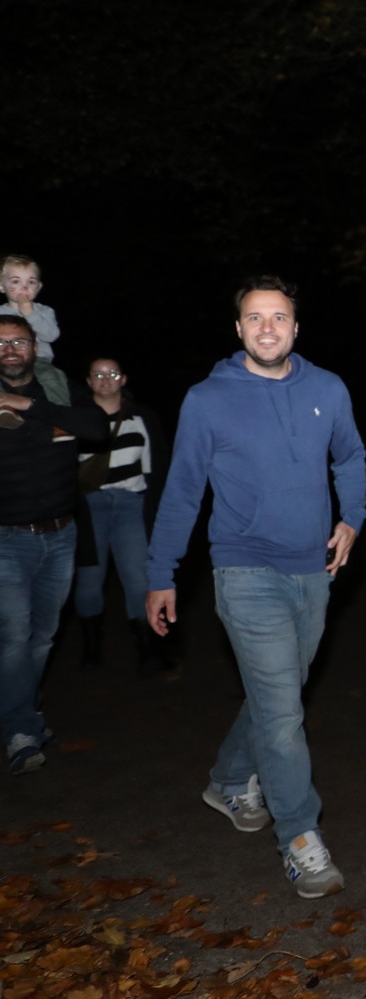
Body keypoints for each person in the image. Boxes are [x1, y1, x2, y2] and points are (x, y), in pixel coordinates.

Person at [145, 275, 366, 900]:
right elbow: (182, 490)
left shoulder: (327, 389)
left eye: (278, 317)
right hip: (244, 570)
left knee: (280, 696)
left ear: (296, 327)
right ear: (238, 328)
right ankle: (300, 837)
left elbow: (350, 456)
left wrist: (352, 516)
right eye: (254, 318)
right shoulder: (207, 400)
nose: (267, 328)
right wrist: (161, 573)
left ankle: (227, 778)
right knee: (283, 713)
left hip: (314, 570)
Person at [0, 315, 107, 774]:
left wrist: (26, 405)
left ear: (34, 346)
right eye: (0, 343)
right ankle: (20, 729)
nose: (9, 349)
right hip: (7, 540)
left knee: (42, 637)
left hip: (62, 536)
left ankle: (24, 713)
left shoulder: (57, 387)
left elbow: (97, 427)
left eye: (18, 341)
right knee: (13, 637)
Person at [74, 357, 172, 673]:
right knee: (89, 580)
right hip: (89, 507)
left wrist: (158, 509)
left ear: (123, 379)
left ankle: (148, 649)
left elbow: (156, 466)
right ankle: (91, 650)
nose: (105, 379)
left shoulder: (141, 417)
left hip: (131, 505)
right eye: (98, 374)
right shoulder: (74, 418)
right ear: (88, 381)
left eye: (112, 373)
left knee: (138, 578)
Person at [0, 255, 68, 425]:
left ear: (39, 287)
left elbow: (51, 336)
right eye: (15, 281)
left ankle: (61, 419)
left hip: (39, 359)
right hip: (4, 360)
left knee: (53, 377)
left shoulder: (44, 311)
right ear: (2, 286)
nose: (24, 287)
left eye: (31, 282)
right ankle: (6, 409)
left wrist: (30, 313)